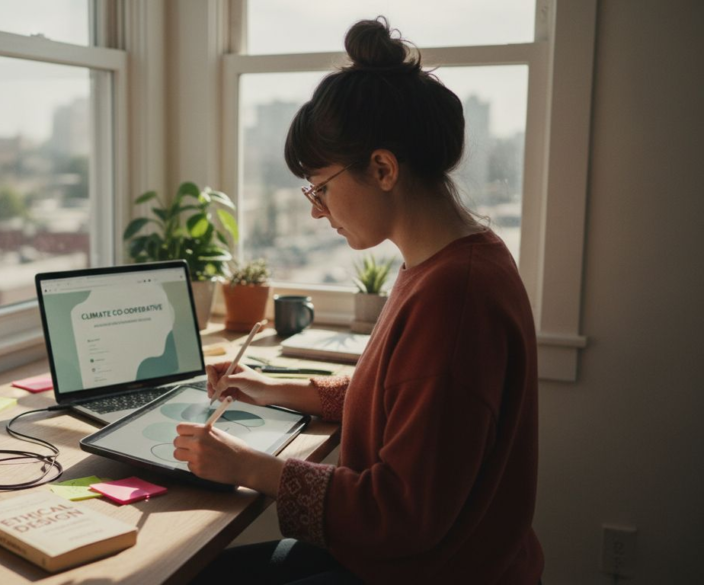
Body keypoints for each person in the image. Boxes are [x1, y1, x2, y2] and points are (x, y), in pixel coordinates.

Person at [178, 18, 542, 585]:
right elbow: (411, 404)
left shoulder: (456, 297)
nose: (316, 211)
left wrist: (249, 466)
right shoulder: (444, 261)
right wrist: (277, 389)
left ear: (382, 168)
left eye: (320, 188)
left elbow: (400, 513)